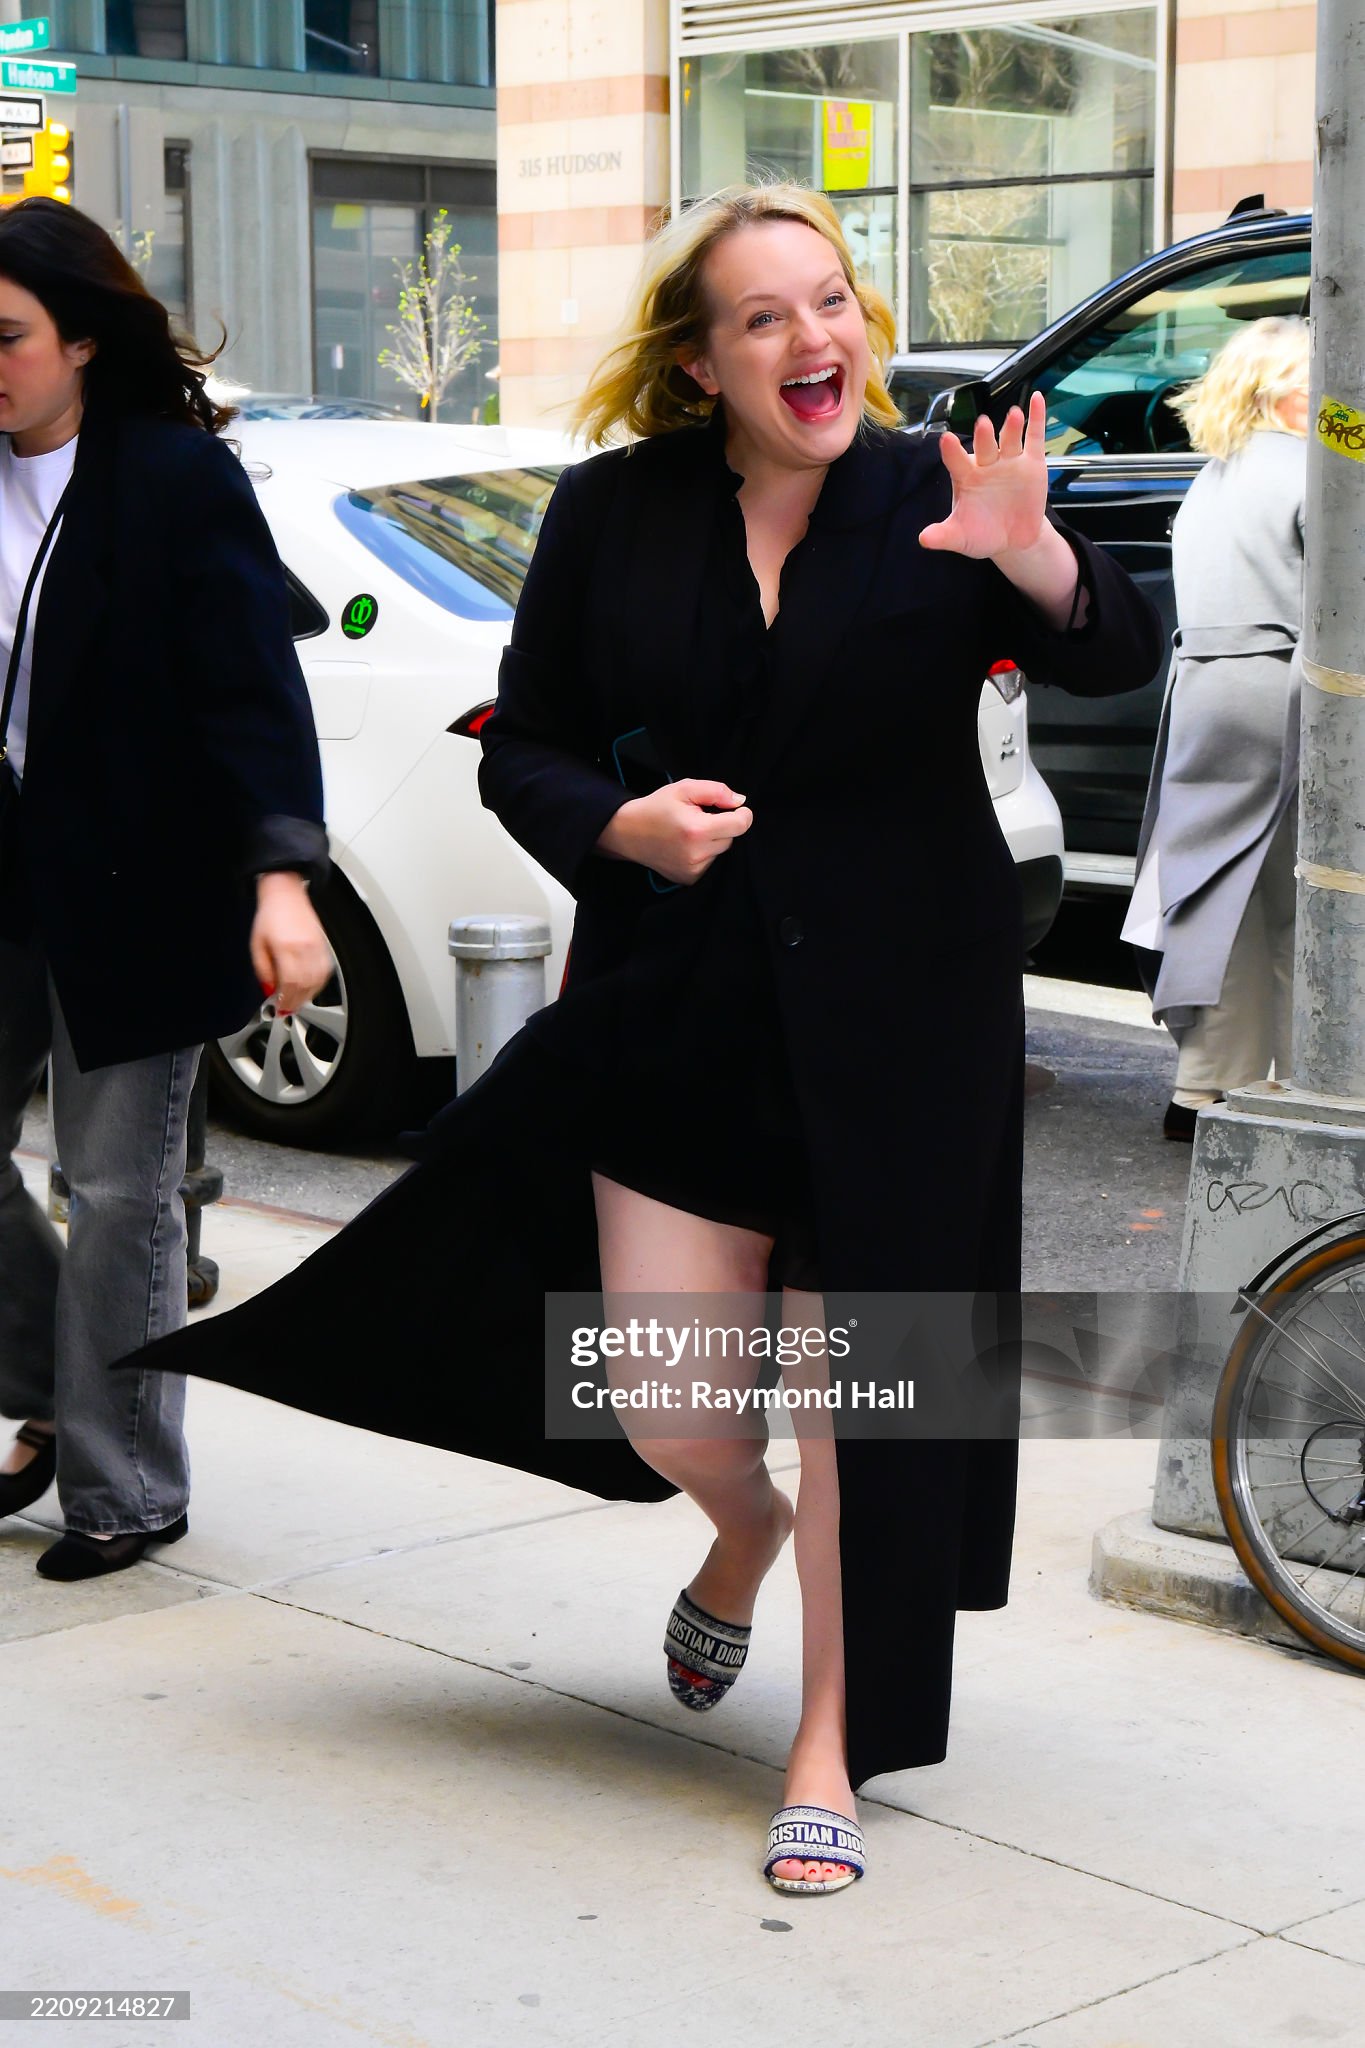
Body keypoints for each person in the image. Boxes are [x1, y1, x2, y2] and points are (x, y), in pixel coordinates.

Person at [118, 184, 1161, 1892]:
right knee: (674, 1399)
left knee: (864, 1407)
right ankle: (738, 1529)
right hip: (680, 1001)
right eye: (766, 316)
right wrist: (622, 827)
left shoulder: (938, 490)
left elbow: (1115, 651)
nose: (815, 338)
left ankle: (829, 1742)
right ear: (700, 360)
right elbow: (523, 744)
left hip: (906, 1022)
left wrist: (1030, 552)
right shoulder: (616, 512)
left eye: (832, 301)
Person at [0, 198, 332, 1579]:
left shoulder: (175, 481)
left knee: (117, 1190)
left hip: (141, 881)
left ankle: (125, 1487)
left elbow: (252, 695)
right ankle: (59, 1380)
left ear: (83, 339)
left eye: (6, 336)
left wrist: (282, 883)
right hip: (6, 876)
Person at [1121, 316, 1310, 1138]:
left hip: (1203, 690)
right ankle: (1309, 1081)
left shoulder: (1213, 476)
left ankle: (1202, 1088)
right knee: (1309, 899)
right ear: (1279, 390)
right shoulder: (1319, 469)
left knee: (1214, 892)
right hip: (1290, 692)